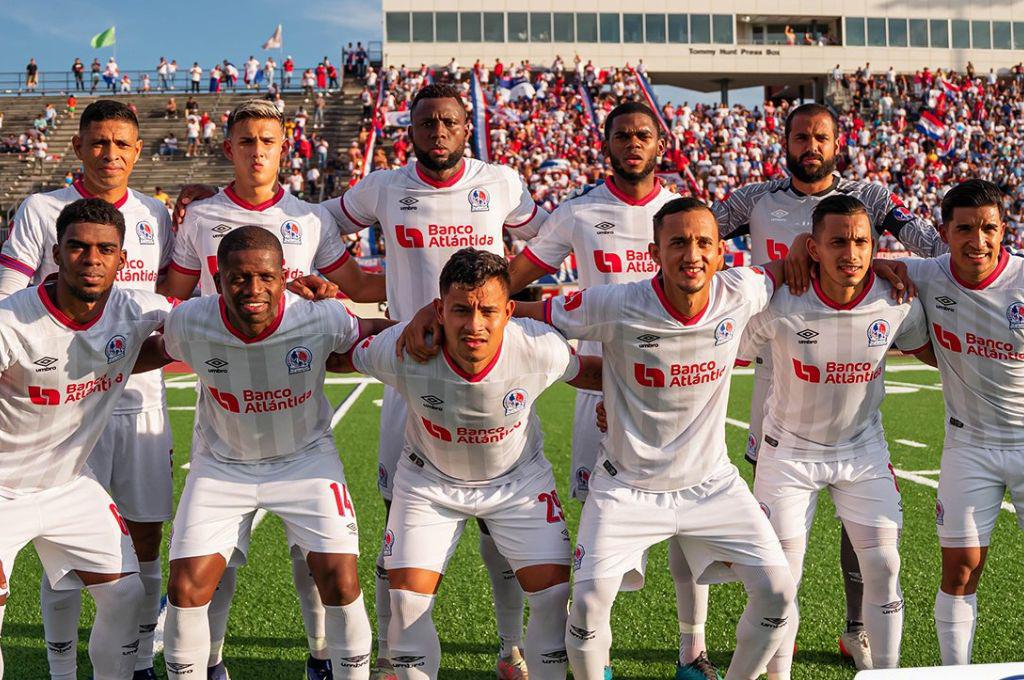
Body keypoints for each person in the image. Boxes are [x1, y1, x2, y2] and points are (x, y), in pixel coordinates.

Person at [402, 101, 718, 677]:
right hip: (601, 389)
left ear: (659, 142)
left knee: (687, 524)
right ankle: (575, 652)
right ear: (606, 144)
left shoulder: (684, 214)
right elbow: (512, 278)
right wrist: (442, 310)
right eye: (621, 135)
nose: (632, 144)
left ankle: (692, 651)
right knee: (597, 531)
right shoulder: (578, 213)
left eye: (642, 135)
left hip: (677, 392)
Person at [322, 83, 548, 680]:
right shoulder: (386, 187)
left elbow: (549, 240)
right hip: (409, 372)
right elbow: (315, 225)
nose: (439, 131)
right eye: (427, 122)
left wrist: (510, 300)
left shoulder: (500, 181)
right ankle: (398, 656)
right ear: (412, 130)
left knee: (503, 528)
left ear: (464, 126)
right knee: (400, 518)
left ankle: (511, 648)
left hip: (491, 369)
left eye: (449, 121)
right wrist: (352, 283)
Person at [518, 197, 796, 679]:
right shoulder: (617, 302)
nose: (692, 254)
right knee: (584, 606)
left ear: (721, 255)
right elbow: (532, 313)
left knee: (777, 594)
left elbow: (791, 265)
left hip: (712, 484)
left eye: (704, 243)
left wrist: (881, 266)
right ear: (654, 252)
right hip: (627, 486)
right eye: (679, 243)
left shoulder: (741, 290)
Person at [711, 102, 946, 669]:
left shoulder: (869, 196)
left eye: (821, 136)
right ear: (784, 140)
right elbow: (695, 240)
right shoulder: (754, 200)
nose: (810, 145)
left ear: (837, 142)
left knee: (865, 535)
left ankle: (856, 627)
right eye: (800, 137)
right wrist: (775, 267)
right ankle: (775, 653)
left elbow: (933, 244)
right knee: (780, 555)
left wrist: (890, 266)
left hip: (851, 361)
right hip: (779, 371)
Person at [158, 98, 386, 680]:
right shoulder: (201, 216)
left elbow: (353, 286)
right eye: (246, 141)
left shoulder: (311, 220)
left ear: (285, 147)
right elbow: (174, 297)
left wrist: (434, 285)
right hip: (223, 430)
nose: (257, 151)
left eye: (268, 140)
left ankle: (321, 659)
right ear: (228, 148)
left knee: (318, 564)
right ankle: (209, 663)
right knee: (213, 566)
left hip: (299, 422)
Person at [330, 247, 602, 680]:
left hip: (518, 483)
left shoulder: (538, 347)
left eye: (487, 311)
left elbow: (588, 372)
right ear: (438, 309)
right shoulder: (402, 348)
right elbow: (338, 354)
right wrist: (309, 304)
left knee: (553, 598)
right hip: (429, 483)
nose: (474, 325)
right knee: (406, 605)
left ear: (509, 311)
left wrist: (630, 400)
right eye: (460, 310)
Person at [0, 100, 175, 680]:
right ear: (56, 254)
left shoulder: (137, 291)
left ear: (124, 260)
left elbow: (199, 318)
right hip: (4, 483)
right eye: (78, 248)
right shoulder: (14, 319)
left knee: (127, 592)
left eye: (105, 251)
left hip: (70, 477)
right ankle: (59, 668)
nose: (91, 259)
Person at [739, 195, 933, 677]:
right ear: (813, 247)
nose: (852, 253)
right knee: (781, 582)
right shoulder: (780, 301)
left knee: (885, 567)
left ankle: (885, 672)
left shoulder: (896, 300)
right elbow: (721, 356)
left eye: (862, 242)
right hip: (789, 454)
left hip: (862, 453)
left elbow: (937, 353)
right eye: (838, 242)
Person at [896, 179, 1024, 666]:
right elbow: (869, 265)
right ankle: (958, 674)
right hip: (968, 447)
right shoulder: (926, 274)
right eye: (965, 228)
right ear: (945, 232)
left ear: (1003, 229)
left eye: (989, 228)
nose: (978, 240)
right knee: (961, 569)